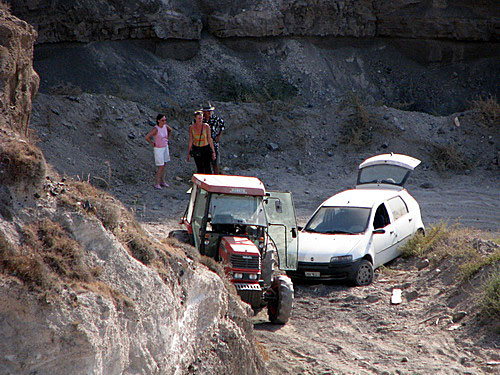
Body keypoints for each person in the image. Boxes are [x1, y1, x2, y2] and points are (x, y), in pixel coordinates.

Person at [145, 114, 172, 189]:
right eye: (162, 120)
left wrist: (167, 138)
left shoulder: (165, 126)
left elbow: (170, 130)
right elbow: (147, 137)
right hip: (159, 149)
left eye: (165, 120)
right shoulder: (156, 129)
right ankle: (157, 183)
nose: (164, 122)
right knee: (160, 166)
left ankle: (162, 181)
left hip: (165, 147)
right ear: (158, 120)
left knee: (164, 164)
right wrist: (152, 143)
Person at [201, 102, 225, 174]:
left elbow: (222, 125)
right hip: (203, 143)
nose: (209, 113)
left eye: (210, 111)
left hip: (213, 142)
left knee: (215, 163)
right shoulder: (200, 120)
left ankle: (216, 178)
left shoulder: (215, 119)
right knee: (205, 163)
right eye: (207, 111)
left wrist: (219, 136)